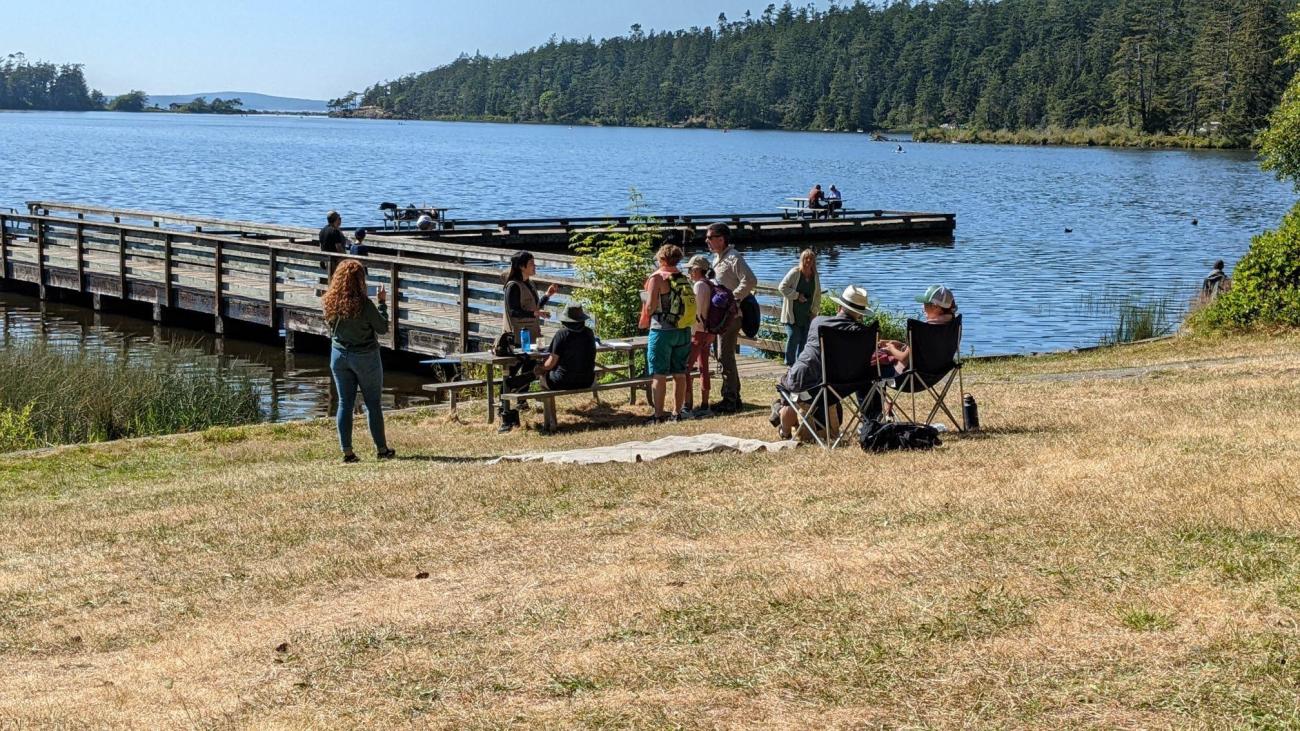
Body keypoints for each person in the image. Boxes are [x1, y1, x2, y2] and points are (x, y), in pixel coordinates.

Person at [774, 285, 875, 441]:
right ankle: (784, 419)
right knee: (794, 395)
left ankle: (782, 419)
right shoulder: (861, 334)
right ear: (861, 314)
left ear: (839, 306)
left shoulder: (818, 323)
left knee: (787, 389)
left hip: (807, 381)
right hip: (834, 388)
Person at [322, 259, 394, 463]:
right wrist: (382, 303)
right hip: (365, 357)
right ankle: (382, 449)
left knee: (344, 403)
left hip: (338, 356)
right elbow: (381, 328)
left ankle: (347, 451)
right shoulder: (365, 305)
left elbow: (329, 323)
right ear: (360, 280)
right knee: (373, 404)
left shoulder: (330, 301)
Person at [498, 251, 559, 431]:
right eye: (532, 263)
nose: (535, 266)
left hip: (532, 335)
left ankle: (521, 402)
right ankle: (505, 409)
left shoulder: (529, 284)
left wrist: (547, 296)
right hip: (516, 337)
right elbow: (514, 311)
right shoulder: (512, 286)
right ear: (521, 266)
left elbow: (533, 307)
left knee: (530, 369)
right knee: (512, 372)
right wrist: (535, 313)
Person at [639, 243, 693, 423]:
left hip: (662, 331)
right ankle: (677, 413)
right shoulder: (682, 277)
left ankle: (658, 415)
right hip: (683, 330)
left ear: (661, 258)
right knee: (680, 373)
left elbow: (651, 306)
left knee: (659, 374)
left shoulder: (657, 278)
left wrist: (646, 306)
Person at [707, 223, 757, 413]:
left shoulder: (734, 257)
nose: (707, 241)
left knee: (725, 355)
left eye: (710, 237)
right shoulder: (717, 258)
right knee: (722, 355)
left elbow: (750, 280)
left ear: (721, 239)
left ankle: (731, 399)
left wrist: (733, 298)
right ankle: (732, 396)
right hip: (721, 315)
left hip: (732, 315)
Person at [877, 284, 958, 372]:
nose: (922, 307)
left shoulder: (925, 329)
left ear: (935, 307)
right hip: (938, 372)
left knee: (875, 365)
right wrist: (900, 345)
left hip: (911, 376)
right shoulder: (952, 325)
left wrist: (890, 348)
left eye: (925, 304)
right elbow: (926, 350)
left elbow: (904, 358)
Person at [533, 304, 597, 390]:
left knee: (542, 377)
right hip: (587, 381)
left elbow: (550, 363)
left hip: (562, 382)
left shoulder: (562, 334)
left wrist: (541, 367)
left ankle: (543, 403)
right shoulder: (589, 332)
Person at [778, 249, 822, 366]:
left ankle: (801, 365)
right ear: (802, 260)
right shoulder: (795, 272)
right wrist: (797, 296)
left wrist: (814, 311)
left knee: (805, 341)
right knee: (793, 337)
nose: (809, 261)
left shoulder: (815, 276)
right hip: (792, 314)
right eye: (806, 258)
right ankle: (789, 364)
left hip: (807, 314)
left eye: (811, 258)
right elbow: (782, 287)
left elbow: (817, 295)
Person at [684, 255, 715, 415]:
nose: (689, 272)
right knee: (704, 367)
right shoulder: (711, 284)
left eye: (690, 269)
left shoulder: (698, 286)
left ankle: (687, 405)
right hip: (708, 332)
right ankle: (704, 404)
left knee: (685, 368)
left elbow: (695, 312)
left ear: (697, 270)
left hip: (697, 332)